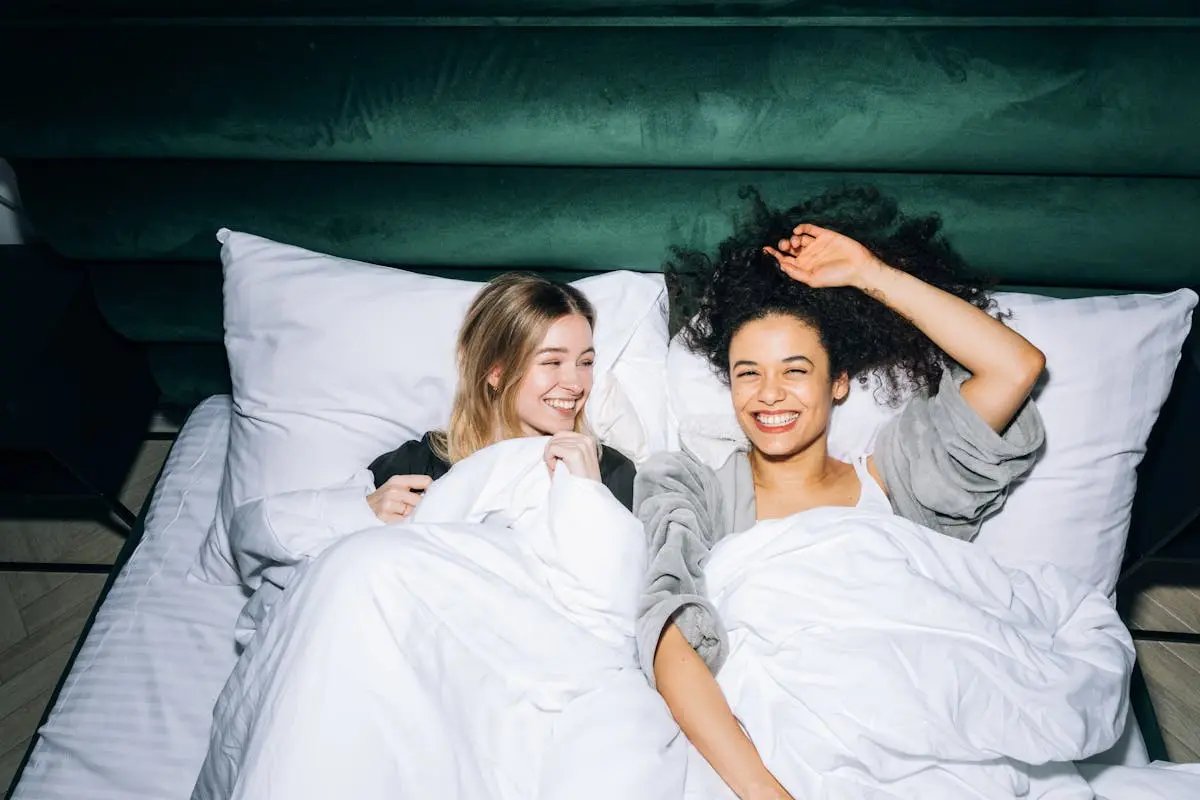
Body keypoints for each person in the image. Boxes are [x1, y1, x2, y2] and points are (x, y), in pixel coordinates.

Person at [635, 186, 1048, 800]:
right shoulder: (693, 490)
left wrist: (871, 274)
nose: (769, 394)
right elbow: (667, 638)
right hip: (772, 758)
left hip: (925, 729)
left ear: (840, 383)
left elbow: (1014, 368)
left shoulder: (900, 480)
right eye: (749, 373)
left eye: (796, 370)